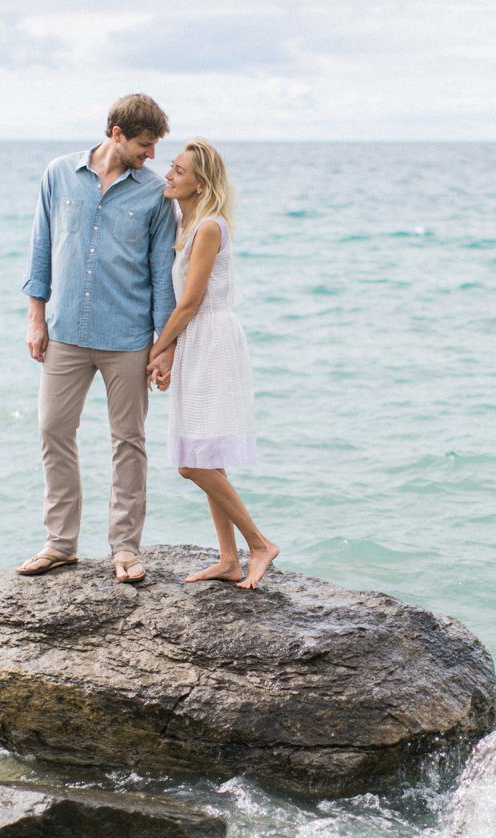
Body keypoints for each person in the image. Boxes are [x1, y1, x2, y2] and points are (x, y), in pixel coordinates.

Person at [16, 94, 177, 583]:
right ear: (116, 133)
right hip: (64, 331)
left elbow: (161, 272)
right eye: (145, 145)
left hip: (128, 337)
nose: (151, 156)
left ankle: (125, 548)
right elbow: (41, 247)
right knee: (52, 431)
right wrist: (35, 318)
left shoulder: (154, 195)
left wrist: (163, 346)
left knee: (128, 440)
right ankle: (60, 543)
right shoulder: (59, 173)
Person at [147, 140, 279, 589]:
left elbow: (188, 304)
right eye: (171, 166)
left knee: (193, 461)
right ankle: (229, 559)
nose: (169, 175)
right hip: (199, 339)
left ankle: (259, 544)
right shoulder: (188, 223)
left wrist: (156, 350)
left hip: (210, 338)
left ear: (200, 182)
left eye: (179, 170)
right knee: (208, 456)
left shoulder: (207, 228)